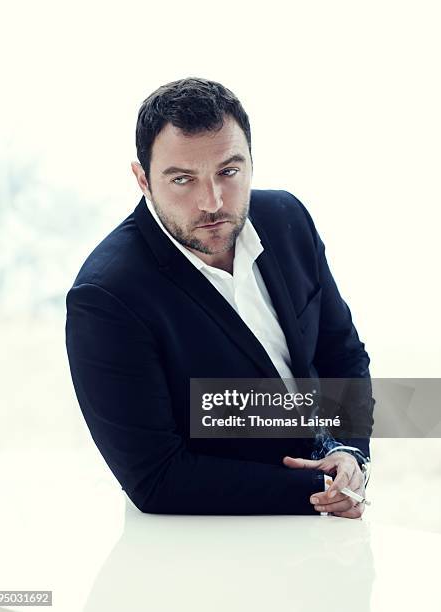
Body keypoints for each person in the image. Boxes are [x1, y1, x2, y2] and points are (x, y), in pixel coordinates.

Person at [65, 77, 374, 519]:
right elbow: (155, 478)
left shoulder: (289, 218)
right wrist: (318, 489)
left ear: (250, 161)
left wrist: (349, 456)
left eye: (229, 172)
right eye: (182, 180)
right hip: (208, 542)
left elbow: (340, 354)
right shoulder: (107, 297)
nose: (211, 202)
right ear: (143, 179)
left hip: (327, 523)